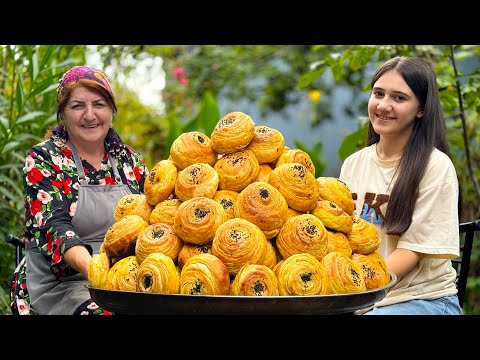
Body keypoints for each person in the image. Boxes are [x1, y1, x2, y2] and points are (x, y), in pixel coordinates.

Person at [9, 65, 149, 315]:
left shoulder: (130, 161)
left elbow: (153, 219)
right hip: (58, 286)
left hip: (121, 284)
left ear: (111, 110)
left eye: (99, 104)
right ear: (62, 112)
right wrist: (98, 271)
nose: (90, 115)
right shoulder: (44, 158)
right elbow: (55, 227)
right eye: (77, 106)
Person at [339, 56, 461, 315]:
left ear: (421, 109)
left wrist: (358, 289)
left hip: (422, 301)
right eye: (378, 93)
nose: (383, 105)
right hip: (362, 299)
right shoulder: (353, 164)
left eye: (399, 98)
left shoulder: (435, 167)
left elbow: (412, 251)